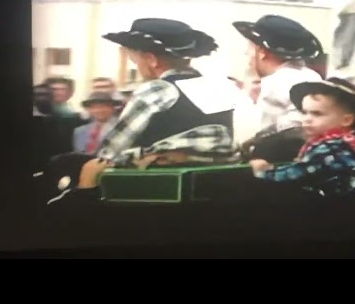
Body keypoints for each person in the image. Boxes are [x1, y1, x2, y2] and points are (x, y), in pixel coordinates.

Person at [45, 18, 236, 205]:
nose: (136, 66)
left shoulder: (158, 89)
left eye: (135, 60)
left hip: (154, 190)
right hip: (212, 185)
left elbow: (110, 152)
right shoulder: (217, 87)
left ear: (151, 60)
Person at [249, 77, 355, 198]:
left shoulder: (331, 147)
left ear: (347, 120)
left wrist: (263, 172)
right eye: (304, 112)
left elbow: (300, 174)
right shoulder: (351, 142)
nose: (307, 119)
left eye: (317, 114)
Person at [232, 15, 324, 164]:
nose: (246, 54)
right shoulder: (312, 76)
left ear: (262, 52)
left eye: (250, 48)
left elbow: (292, 129)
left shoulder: (277, 81)